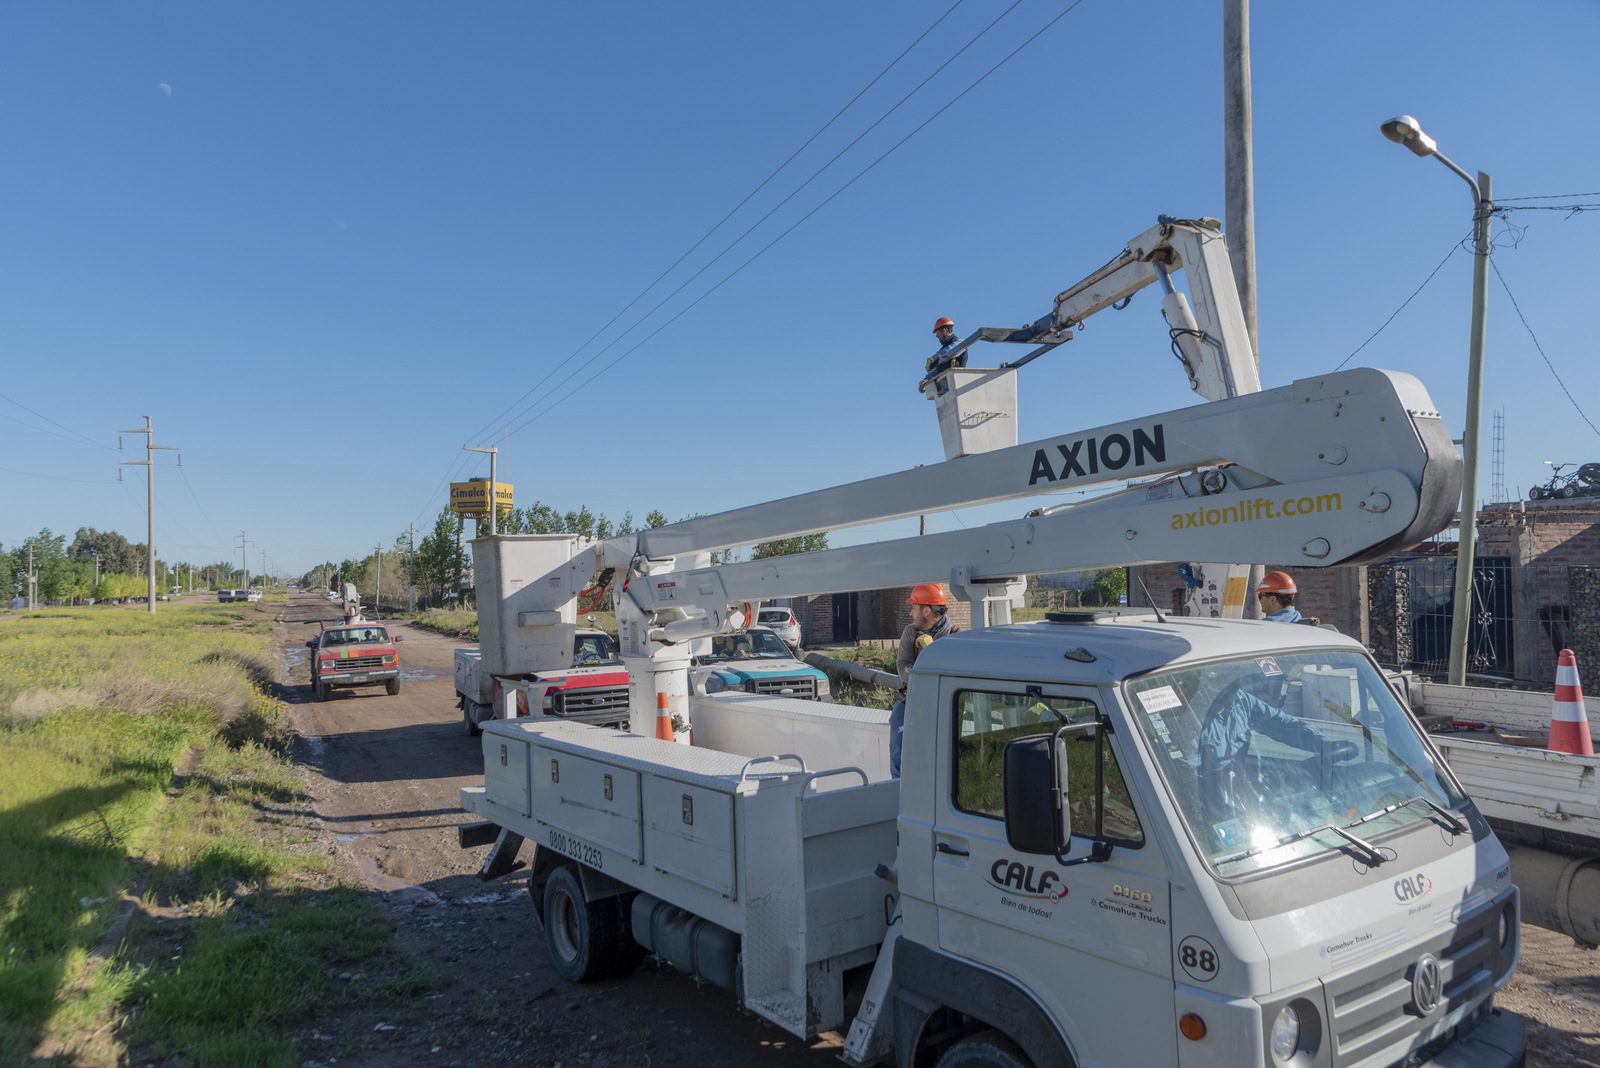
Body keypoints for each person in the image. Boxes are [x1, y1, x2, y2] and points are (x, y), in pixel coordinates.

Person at [890, 584, 959, 778]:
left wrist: (930, 651)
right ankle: (897, 784)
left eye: (914, 608)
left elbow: (950, 675)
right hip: (911, 697)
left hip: (942, 701)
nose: (911, 614)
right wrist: (926, 675)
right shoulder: (910, 633)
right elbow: (903, 668)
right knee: (898, 729)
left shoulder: (956, 636)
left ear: (926, 610)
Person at [925, 316, 967, 394]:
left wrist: (932, 359)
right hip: (947, 386)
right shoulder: (942, 351)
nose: (937, 336)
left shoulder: (960, 342)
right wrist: (926, 380)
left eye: (937, 332)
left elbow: (950, 351)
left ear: (944, 330)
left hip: (960, 384)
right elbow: (938, 371)